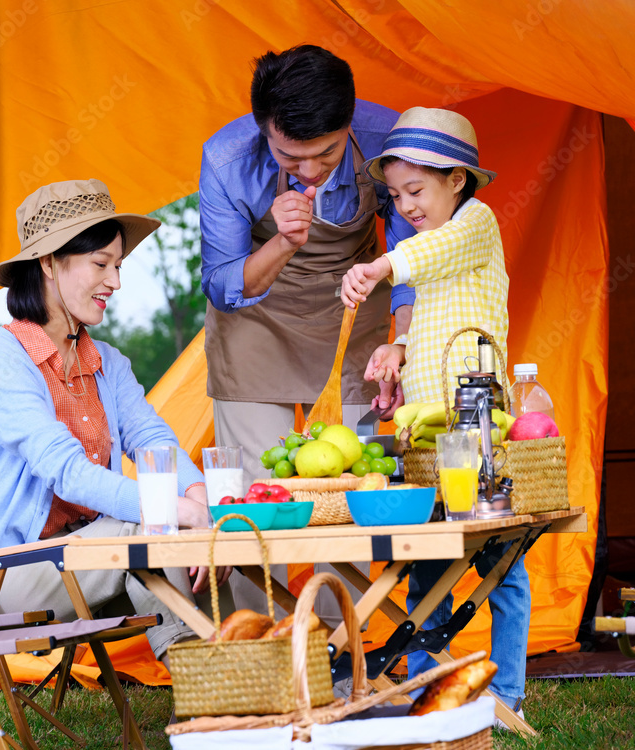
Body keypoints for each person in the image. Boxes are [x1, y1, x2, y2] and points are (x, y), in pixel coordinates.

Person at [0, 178, 232, 664]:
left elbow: (151, 438)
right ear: (48, 264)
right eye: (101, 264)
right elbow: (66, 471)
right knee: (154, 531)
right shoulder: (3, 360)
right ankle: (214, 689)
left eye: (118, 266)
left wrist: (200, 499)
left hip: (84, 557)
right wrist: (174, 513)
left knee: (187, 531)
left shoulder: (107, 362)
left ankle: (237, 681)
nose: (115, 282)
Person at [199, 44, 416, 624]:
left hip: (355, 316)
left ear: (349, 125)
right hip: (256, 326)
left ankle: (349, 646)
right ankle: (260, 645)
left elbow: (411, 261)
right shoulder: (224, 159)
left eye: (326, 153)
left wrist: (404, 346)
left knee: (355, 491)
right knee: (251, 498)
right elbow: (222, 284)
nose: (312, 170)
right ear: (263, 129)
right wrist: (280, 243)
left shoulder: (389, 136)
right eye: (290, 158)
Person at [341, 107, 526, 716]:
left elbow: (434, 253)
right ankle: (425, 685)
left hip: (476, 420)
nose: (406, 206)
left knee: (498, 557)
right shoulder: (422, 248)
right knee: (429, 559)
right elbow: (426, 319)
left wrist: (377, 266)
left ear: (458, 179)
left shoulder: (477, 222)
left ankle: (507, 694)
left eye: (415, 190)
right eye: (395, 195)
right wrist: (398, 357)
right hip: (428, 424)